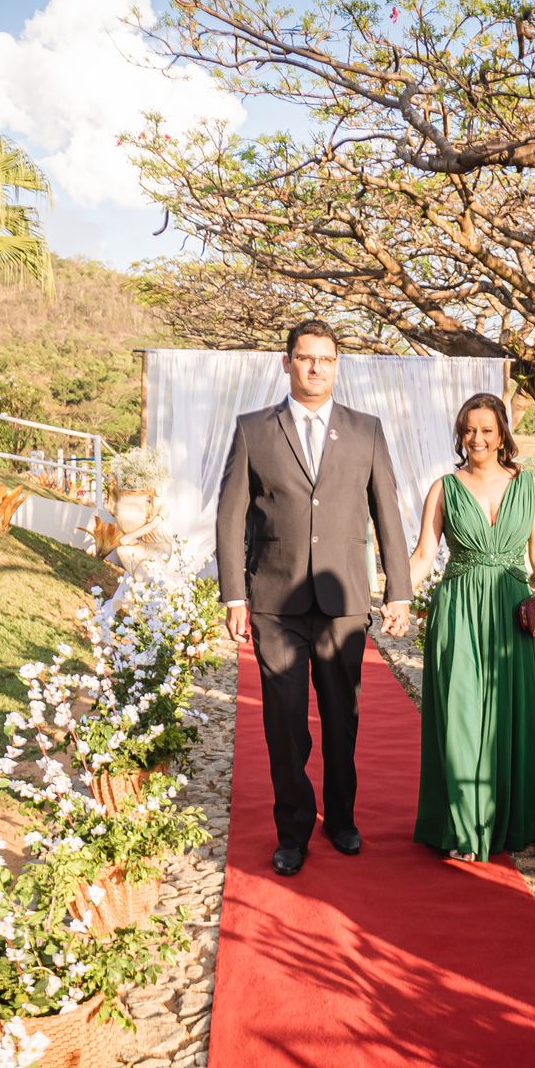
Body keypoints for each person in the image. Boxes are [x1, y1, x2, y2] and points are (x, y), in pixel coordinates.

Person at [215, 320, 413, 877]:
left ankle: (343, 818)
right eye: (305, 358)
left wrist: (399, 590)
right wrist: (234, 596)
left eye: (325, 358)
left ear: (337, 364)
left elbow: (387, 516)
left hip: (343, 597)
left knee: (341, 716)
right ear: (286, 363)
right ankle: (293, 829)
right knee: (283, 721)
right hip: (273, 600)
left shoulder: (366, 430)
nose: (315, 367)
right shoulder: (254, 429)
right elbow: (230, 517)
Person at [407, 394, 535, 862]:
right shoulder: (444, 488)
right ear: (460, 434)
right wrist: (395, 598)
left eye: (487, 430)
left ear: (502, 436)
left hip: (512, 612)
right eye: (469, 430)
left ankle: (512, 819)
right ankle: (462, 827)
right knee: (462, 717)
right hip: (457, 611)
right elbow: (422, 556)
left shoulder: (528, 486)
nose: (477, 438)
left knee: (511, 716)